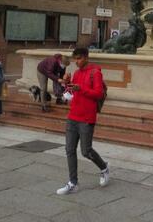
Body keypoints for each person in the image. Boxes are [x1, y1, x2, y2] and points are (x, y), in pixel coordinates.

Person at [57, 47, 109, 195]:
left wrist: (82, 88)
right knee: (69, 150)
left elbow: (98, 93)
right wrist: (67, 84)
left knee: (86, 151)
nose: (76, 62)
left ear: (86, 57)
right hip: (73, 116)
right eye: (75, 59)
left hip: (87, 118)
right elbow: (71, 93)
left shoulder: (95, 73)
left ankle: (104, 167)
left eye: (79, 58)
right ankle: (73, 183)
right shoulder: (77, 73)